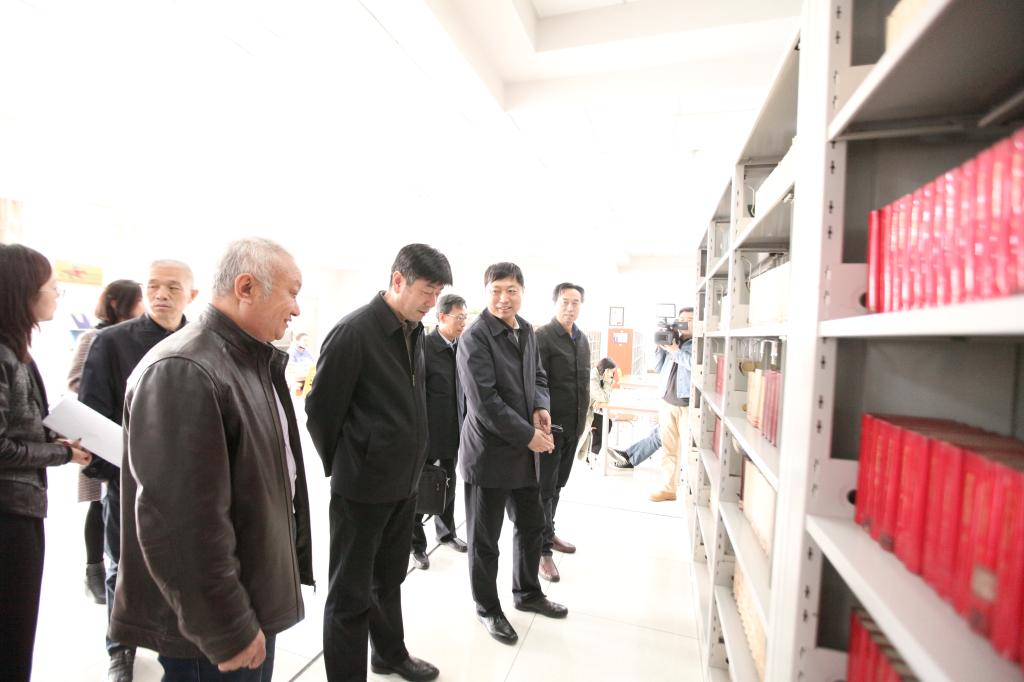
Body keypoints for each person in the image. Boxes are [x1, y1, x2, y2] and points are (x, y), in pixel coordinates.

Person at [110, 238, 314, 680]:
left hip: (247, 596)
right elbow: (181, 526)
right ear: (246, 288)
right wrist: (228, 629)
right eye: (292, 293)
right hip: (209, 628)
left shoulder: (248, 360)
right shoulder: (184, 368)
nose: (297, 309)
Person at [306, 243, 451, 682]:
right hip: (362, 490)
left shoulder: (415, 331)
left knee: (388, 581)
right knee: (349, 596)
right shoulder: (354, 332)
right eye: (426, 291)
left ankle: (389, 655)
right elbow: (321, 411)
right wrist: (353, 462)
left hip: (403, 485)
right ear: (398, 280)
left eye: (438, 293)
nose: (432, 302)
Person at [78, 260, 197, 682]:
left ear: (192, 295)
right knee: (122, 569)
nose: (161, 294)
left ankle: (176, 648)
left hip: (187, 485)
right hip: (128, 479)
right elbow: (93, 412)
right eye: (153, 286)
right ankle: (120, 648)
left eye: (172, 287)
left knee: (180, 569)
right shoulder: (111, 342)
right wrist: (111, 469)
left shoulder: (201, 342)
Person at [458, 262, 566, 646]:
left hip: (523, 454)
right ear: (486, 293)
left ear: (522, 292)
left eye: (511, 291)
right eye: (496, 291)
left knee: (532, 525)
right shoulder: (475, 338)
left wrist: (540, 406)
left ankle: (528, 593)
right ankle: (487, 607)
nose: (504, 299)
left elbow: (538, 376)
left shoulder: (526, 331)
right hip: (488, 456)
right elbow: (485, 403)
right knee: (485, 541)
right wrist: (529, 436)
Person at [0, 244, 92, 681]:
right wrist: (62, 453)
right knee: (12, 632)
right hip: (8, 516)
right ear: (23, 291)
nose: (57, 292)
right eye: (50, 284)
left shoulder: (16, 350)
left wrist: (53, 437)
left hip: (21, 508)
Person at [67, 279, 143, 605]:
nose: (145, 306)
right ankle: (94, 571)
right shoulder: (95, 338)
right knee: (100, 505)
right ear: (118, 303)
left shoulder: (138, 339)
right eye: (139, 299)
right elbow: (75, 381)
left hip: (127, 439)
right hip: (100, 434)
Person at [534, 283, 590, 583]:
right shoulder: (542, 337)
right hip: (550, 429)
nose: (570, 307)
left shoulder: (582, 339)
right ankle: (540, 550)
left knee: (557, 486)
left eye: (575, 302)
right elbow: (537, 384)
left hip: (573, 428)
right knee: (544, 489)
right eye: (565, 301)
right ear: (555, 303)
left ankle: (549, 533)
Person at [410, 293, 469, 570]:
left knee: (448, 485)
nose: (463, 322)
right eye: (459, 317)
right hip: (427, 435)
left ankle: (446, 533)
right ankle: (416, 545)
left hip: (453, 432)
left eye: (465, 317)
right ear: (442, 316)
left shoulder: (461, 348)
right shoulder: (424, 346)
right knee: (419, 489)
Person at [646, 307, 694, 502]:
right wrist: (660, 348)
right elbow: (657, 367)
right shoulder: (673, 340)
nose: (684, 322)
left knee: (691, 451)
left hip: (688, 405)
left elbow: (695, 366)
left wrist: (676, 351)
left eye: (689, 319)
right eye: (681, 319)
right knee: (669, 449)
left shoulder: (702, 343)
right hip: (667, 402)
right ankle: (668, 489)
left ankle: (693, 491)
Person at [575, 357, 617, 461]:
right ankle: (591, 453)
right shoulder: (593, 378)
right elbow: (605, 397)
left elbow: (603, 397)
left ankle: (592, 452)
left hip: (587, 413)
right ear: (606, 370)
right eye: (612, 373)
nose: (612, 375)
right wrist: (608, 381)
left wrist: (598, 400)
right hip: (580, 416)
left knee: (607, 423)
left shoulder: (597, 376)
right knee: (605, 424)